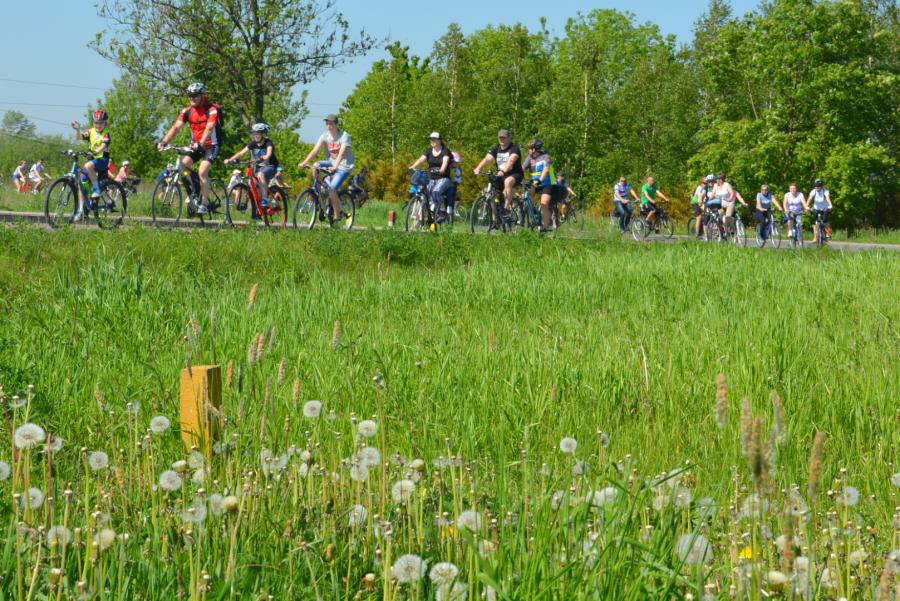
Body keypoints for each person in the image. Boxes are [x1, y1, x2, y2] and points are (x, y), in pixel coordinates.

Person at [158, 83, 223, 214]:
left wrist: (201, 143)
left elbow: (209, 128)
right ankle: (195, 191)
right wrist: (164, 141)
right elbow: (176, 127)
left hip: (211, 145)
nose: (192, 98)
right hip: (196, 145)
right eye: (189, 95)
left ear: (202, 96)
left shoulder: (211, 110)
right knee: (183, 165)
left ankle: (204, 204)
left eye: (195, 95)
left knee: (202, 171)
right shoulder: (187, 111)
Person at [298, 113, 354, 221]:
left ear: (337, 124)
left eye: (331, 123)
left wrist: (335, 167)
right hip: (332, 162)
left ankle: (337, 216)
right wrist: (304, 162)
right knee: (315, 166)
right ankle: (318, 193)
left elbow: (342, 153)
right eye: (327, 123)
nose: (329, 126)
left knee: (332, 189)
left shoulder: (344, 136)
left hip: (344, 166)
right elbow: (315, 150)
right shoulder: (325, 136)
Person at [472, 129, 524, 225]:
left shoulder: (514, 148)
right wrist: (478, 168)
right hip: (500, 174)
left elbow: (511, 161)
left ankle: (507, 208)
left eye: (504, 138)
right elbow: (487, 159)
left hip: (514, 174)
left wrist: (503, 170)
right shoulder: (496, 148)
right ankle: (496, 220)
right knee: (491, 193)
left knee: (508, 181)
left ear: (509, 138)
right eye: (500, 138)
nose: (502, 140)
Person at [225, 122, 279, 207]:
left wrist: (263, 157)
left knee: (260, 175)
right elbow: (241, 153)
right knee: (254, 187)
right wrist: (230, 160)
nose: (255, 135)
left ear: (263, 134)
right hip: (259, 167)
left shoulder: (268, 143)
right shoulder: (253, 143)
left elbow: (268, 154)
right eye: (254, 133)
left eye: (257, 133)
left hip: (270, 167)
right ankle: (259, 210)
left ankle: (265, 199)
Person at [409, 132, 453, 223]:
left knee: (436, 191)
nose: (432, 141)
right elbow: (421, 160)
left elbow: (445, 161)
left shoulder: (445, 151)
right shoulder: (429, 151)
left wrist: (442, 168)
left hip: (443, 178)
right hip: (431, 178)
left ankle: (442, 211)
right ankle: (426, 213)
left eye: (434, 139)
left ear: (439, 140)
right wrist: (413, 166)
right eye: (431, 139)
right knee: (424, 192)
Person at [71, 109, 111, 206]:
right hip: (92, 160)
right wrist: (77, 130)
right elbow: (79, 137)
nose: (98, 125)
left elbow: (104, 145)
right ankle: (81, 209)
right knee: (81, 182)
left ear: (105, 123)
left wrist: (96, 152)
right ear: (93, 122)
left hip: (102, 160)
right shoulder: (90, 131)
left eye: (101, 123)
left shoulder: (106, 133)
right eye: (96, 123)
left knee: (88, 166)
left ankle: (96, 189)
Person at [522, 138, 556, 232]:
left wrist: (540, 180)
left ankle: (544, 227)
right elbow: (522, 168)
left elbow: (546, 170)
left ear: (535, 149)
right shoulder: (529, 158)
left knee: (544, 203)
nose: (528, 150)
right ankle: (532, 213)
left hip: (546, 183)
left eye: (530, 148)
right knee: (526, 195)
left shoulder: (546, 157)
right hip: (535, 183)